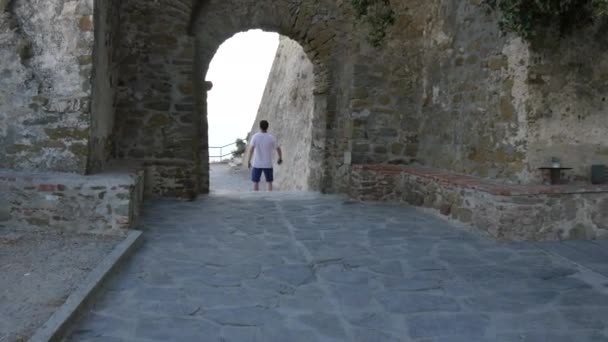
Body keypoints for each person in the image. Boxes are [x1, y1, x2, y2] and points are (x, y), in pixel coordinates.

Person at [247, 120, 283, 191]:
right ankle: (269, 197)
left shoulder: (255, 137)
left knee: (256, 182)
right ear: (267, 127)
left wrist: (248, 160)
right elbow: (278, 149)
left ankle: (256, 197)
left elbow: (251, 150)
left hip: (257, 164)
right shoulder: (271, 137)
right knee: (269, 182)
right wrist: (280, 158)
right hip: (268, 164)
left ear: (260, 127)